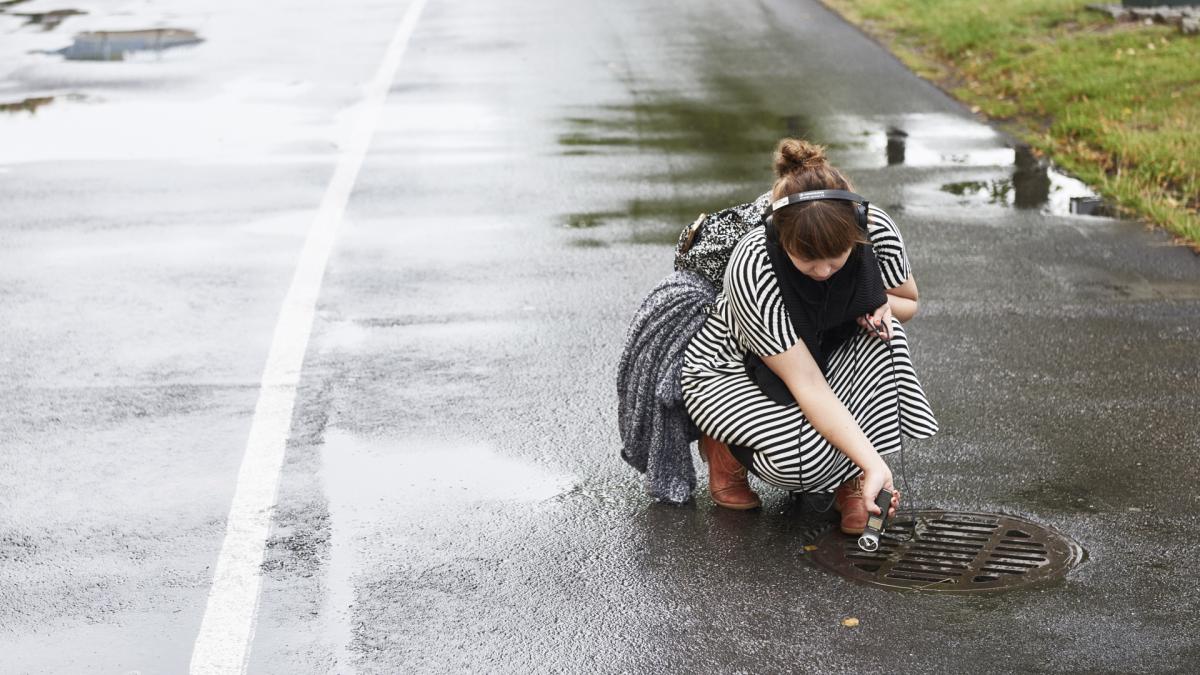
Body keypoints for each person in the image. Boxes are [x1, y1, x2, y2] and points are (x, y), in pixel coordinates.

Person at [680, 138, 939, 534]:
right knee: (802, 460)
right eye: (807, 261)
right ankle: (726, 447)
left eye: (835, 261)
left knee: (887, 337)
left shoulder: (876, 228)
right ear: (780, 238)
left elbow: (909, 302)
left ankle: (853, 479)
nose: (822, 273)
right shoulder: (753, 263)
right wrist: (876, 463)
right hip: (738, 366)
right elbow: (808, 385)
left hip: (829, 346)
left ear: (856, 230)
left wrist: (878, 306)